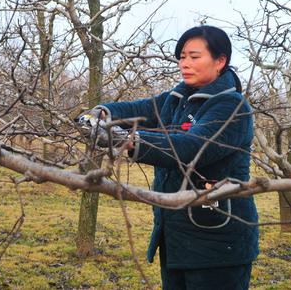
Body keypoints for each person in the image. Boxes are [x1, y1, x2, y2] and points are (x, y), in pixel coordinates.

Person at [79, 25, 259, 290]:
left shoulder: (232, 107)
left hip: (219, 243)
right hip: (176, 238)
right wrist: (101, 113)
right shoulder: (177, 99)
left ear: (221, 61)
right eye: (182, 57)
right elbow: (138, 109)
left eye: (194, 57)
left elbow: (188, 148)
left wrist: (124, 141)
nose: (185, 63)